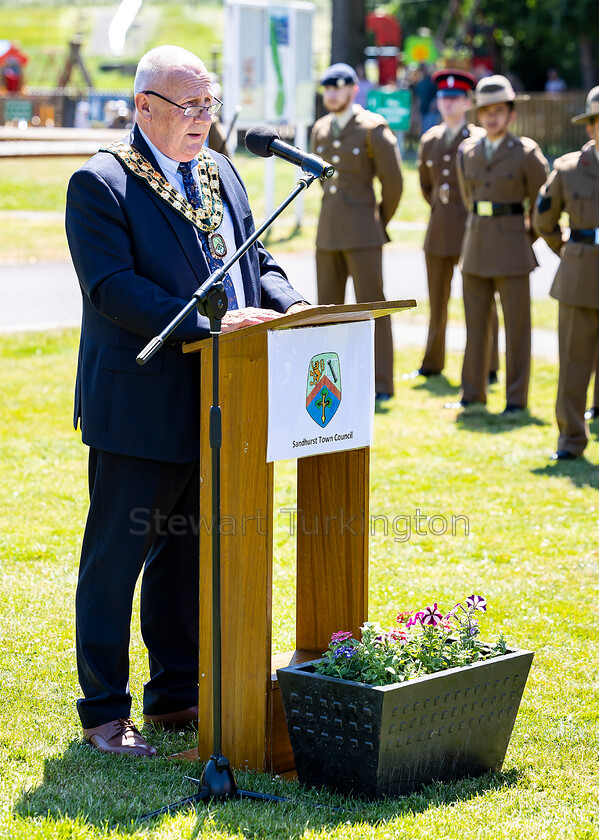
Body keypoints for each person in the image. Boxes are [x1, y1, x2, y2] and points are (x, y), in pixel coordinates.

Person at [65, 45, 309, 757]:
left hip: (220, 401)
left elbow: (255, 260)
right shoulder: (102, 182)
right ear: (145, 107)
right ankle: (104, 714)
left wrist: (291, 304)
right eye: (189, 105)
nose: (204, 118)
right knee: (116, 563)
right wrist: (213, 320)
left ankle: (176, 696)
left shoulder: (218, 170)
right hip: (140, 404)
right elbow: (112, 288)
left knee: (186, 556)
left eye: (210, 104)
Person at [456, 75, 549, 414]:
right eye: (485, 111)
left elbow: (544, 207)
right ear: (477, 114)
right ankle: (472, 394)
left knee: (517, 329)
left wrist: (524, 238)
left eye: (499, 110)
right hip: (476, 246)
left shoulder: (526, 153)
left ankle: (516, 400)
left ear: (511, 114)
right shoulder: (468, 151)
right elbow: (469, 200)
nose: (491, 117)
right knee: (475, 325)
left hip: (513, 250)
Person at [311, 62, 403, 402]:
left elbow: (393, 184)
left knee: (372, 308)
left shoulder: (371, 129)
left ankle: (381, 383)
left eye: (339, 88)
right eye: (328, 89)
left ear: (353, 89)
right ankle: (331, 382)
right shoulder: (320, 128)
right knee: (327, 311)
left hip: (364, 232)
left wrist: (378, 221)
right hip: (328, 232)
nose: (333, 94)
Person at [413, 68, 499, 382]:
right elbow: (427, 187)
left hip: (472, 231)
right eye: (443, 98)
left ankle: (488, 365)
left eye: (455, 98)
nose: (448, 104)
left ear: (467, 102)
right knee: (437, 302)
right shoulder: (430, 139)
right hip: (438, 231)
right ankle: (432, 363)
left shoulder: (477, 140)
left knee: (480, 302)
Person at [533, 86, 599, 460]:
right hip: (580, 277)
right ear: (591, 128)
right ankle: (571, 440)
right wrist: (570, 252)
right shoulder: (569, 168)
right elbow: (544, 219)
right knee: (574, 363)